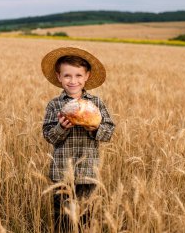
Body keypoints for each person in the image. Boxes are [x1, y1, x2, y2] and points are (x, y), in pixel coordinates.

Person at [41, 47, 115, 232]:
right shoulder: (55, 105)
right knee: (62, 221)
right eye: (67, 76)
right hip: (62, 174)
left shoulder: (96, 104)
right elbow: (49, 136)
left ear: (87, 76)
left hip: (88, 172)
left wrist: (95, 128)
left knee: (85, 220)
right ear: (59, 77)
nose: (73, 81)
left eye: (78, 75)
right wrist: (62, 128)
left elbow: (108, 132)